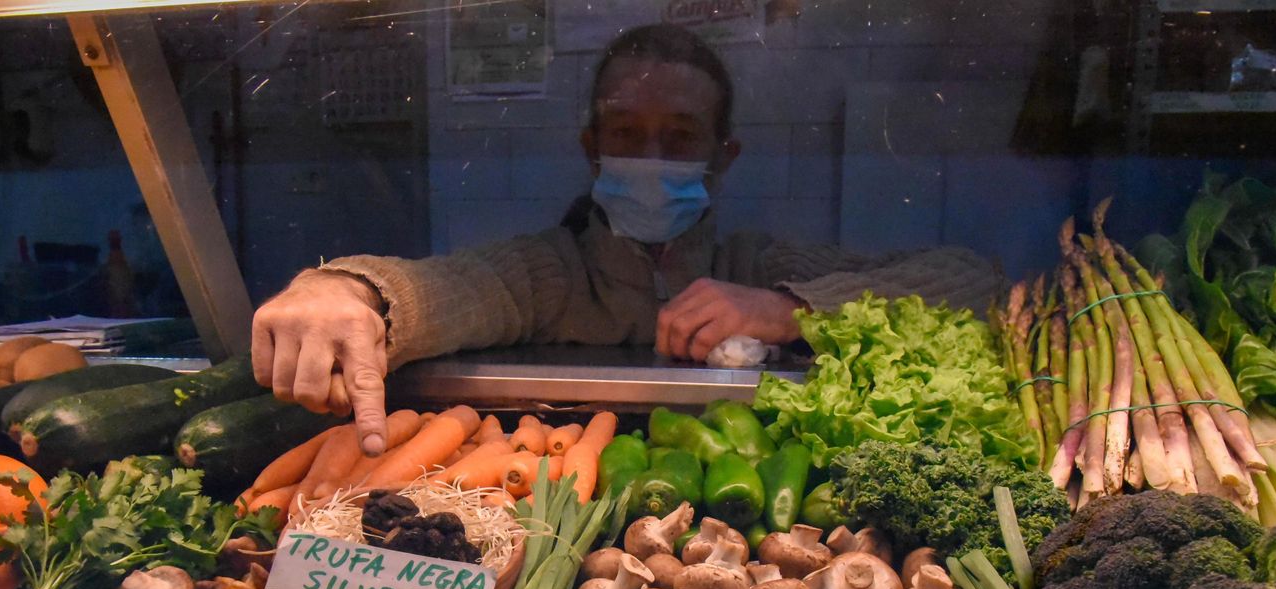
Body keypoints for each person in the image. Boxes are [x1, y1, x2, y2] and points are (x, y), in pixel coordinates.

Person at [253, 25, 1002, 456]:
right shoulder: (550, 270)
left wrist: (788, 308)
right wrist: (349, 291)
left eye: (678, 138)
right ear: (592, 148)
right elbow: (447, 289)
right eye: (627, 135)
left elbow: (975, 280)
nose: (650, 155)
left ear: (722, 156)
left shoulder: (759, 263)